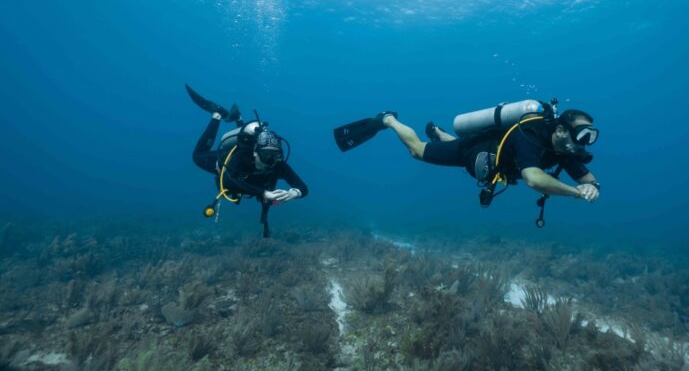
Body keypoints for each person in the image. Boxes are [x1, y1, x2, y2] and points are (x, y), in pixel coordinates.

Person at [334, 100, 599, 225]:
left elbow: (589, 180)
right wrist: (576, 192)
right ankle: (388, 118)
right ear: (561, 130)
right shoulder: (528, 135)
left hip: (494, 163)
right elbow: (533, 179)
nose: (584, 142)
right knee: (417, 150)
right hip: (476, 152)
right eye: (580, 134)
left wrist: (593, 187)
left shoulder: (567, 148)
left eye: (590, 136)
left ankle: (440, 134)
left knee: (458, 154)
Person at [187, 84, 308, 237]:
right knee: (197, 156)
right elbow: (231, 181)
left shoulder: (276, 163)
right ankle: (217, 115)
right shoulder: (242, 157)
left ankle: (238, 119)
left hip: (250, 180)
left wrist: (294, 193)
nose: (270, 162)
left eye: (275, 156)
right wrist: (264, 193)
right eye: (266, 156)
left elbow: (303, 187)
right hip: (227, 166)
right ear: (254, 153)